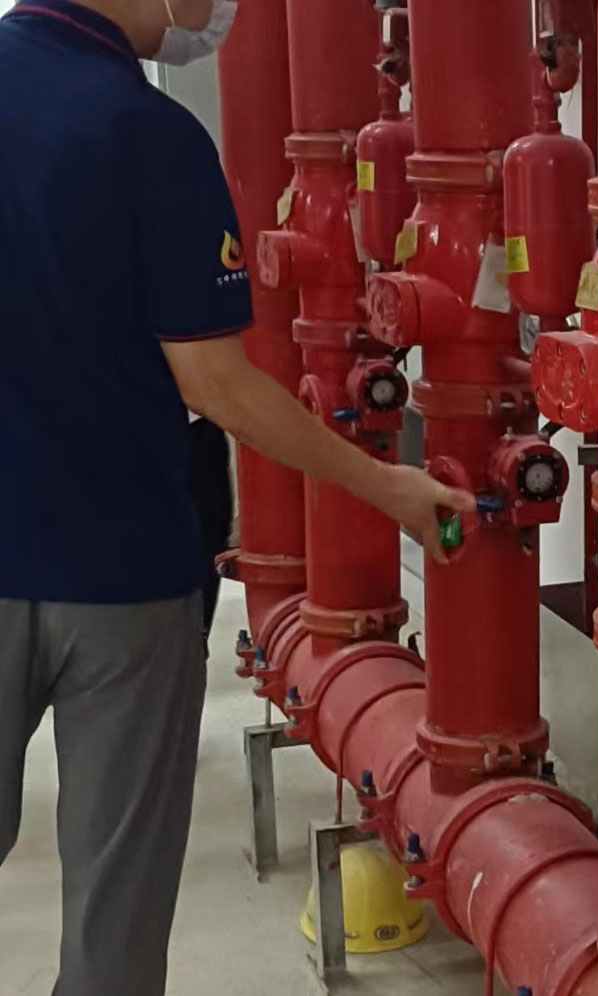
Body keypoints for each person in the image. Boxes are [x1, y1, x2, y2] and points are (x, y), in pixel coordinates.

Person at [0, 1, 473, 993]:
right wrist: (384, 484)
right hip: (122, 576)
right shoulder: (148, 132)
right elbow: (214, 381)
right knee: (113, 916)